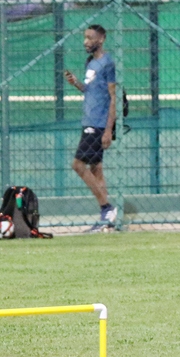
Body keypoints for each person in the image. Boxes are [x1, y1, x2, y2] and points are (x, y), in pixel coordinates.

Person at [64, 24, 118, 231]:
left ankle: (107, 207)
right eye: (84, 38)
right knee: (96, 169)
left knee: (78, 165)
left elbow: (113, 98)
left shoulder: (108, 63)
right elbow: (91, 91)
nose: (86, 42)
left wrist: (107, 130)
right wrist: (77, 83)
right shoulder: (90, 63)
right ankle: (108, 220)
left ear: (101, 39)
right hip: (88, 121)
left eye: (90, 38)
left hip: (97, 124)